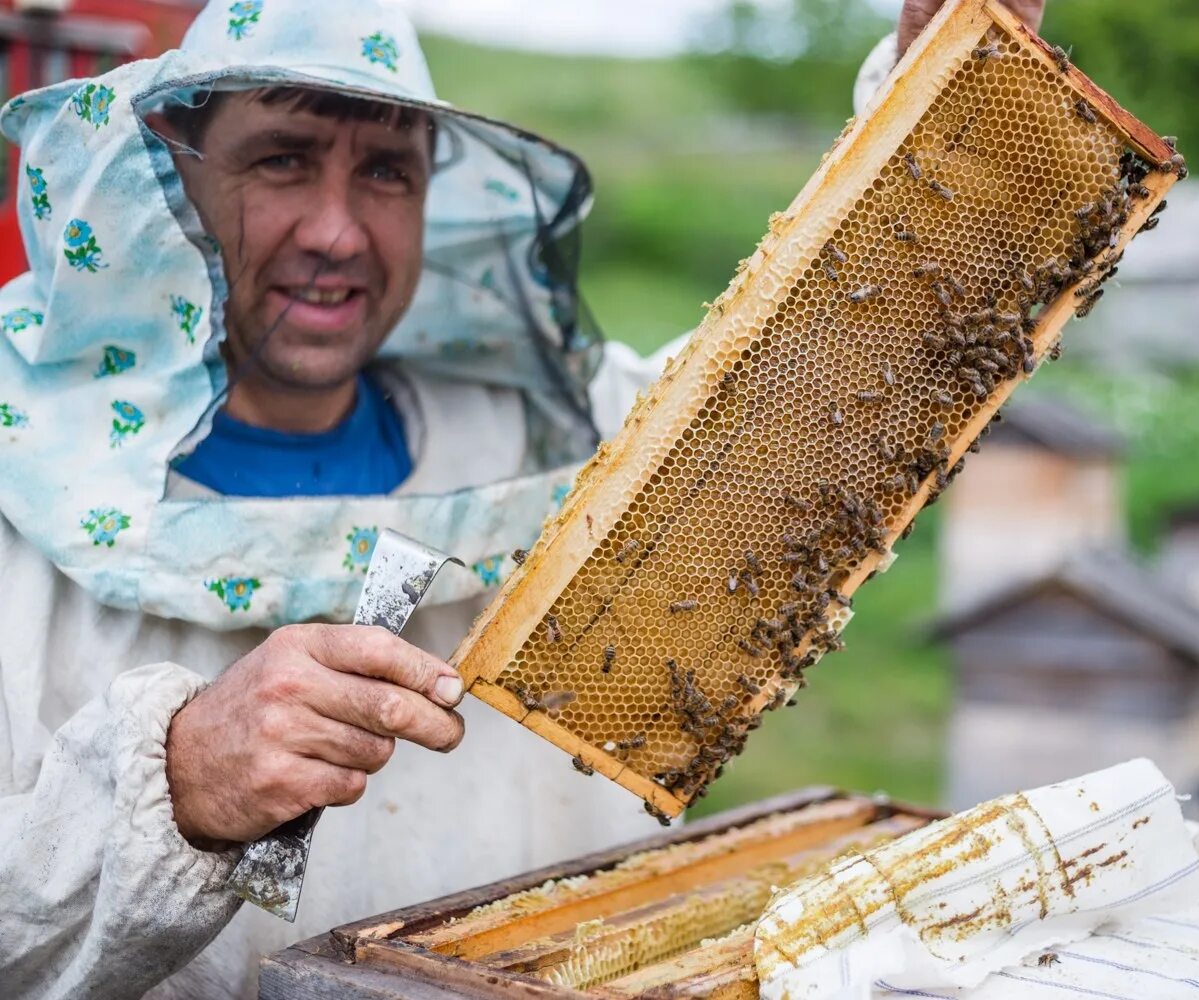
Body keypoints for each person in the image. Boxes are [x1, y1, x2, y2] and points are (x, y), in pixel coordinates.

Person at [0, 0, 1044, 997]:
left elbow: (827, 385)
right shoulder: (29, 477)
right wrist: (175, 783)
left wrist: (950, 118)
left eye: (387, 171)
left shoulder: (545, 435)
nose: (338, 229)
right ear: (179, 180)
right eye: (282, 159)